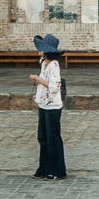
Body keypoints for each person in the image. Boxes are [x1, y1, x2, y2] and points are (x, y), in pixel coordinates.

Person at [28, 33, 67, 180]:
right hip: (43, 104)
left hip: (53, 107)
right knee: (42, 137)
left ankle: (56, 170)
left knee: (52, 138)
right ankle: (43, 168)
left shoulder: (54, 65)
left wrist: (38, 79)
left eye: (41, 49)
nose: (39, 50)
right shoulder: (44, 63)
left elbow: (54, 87)